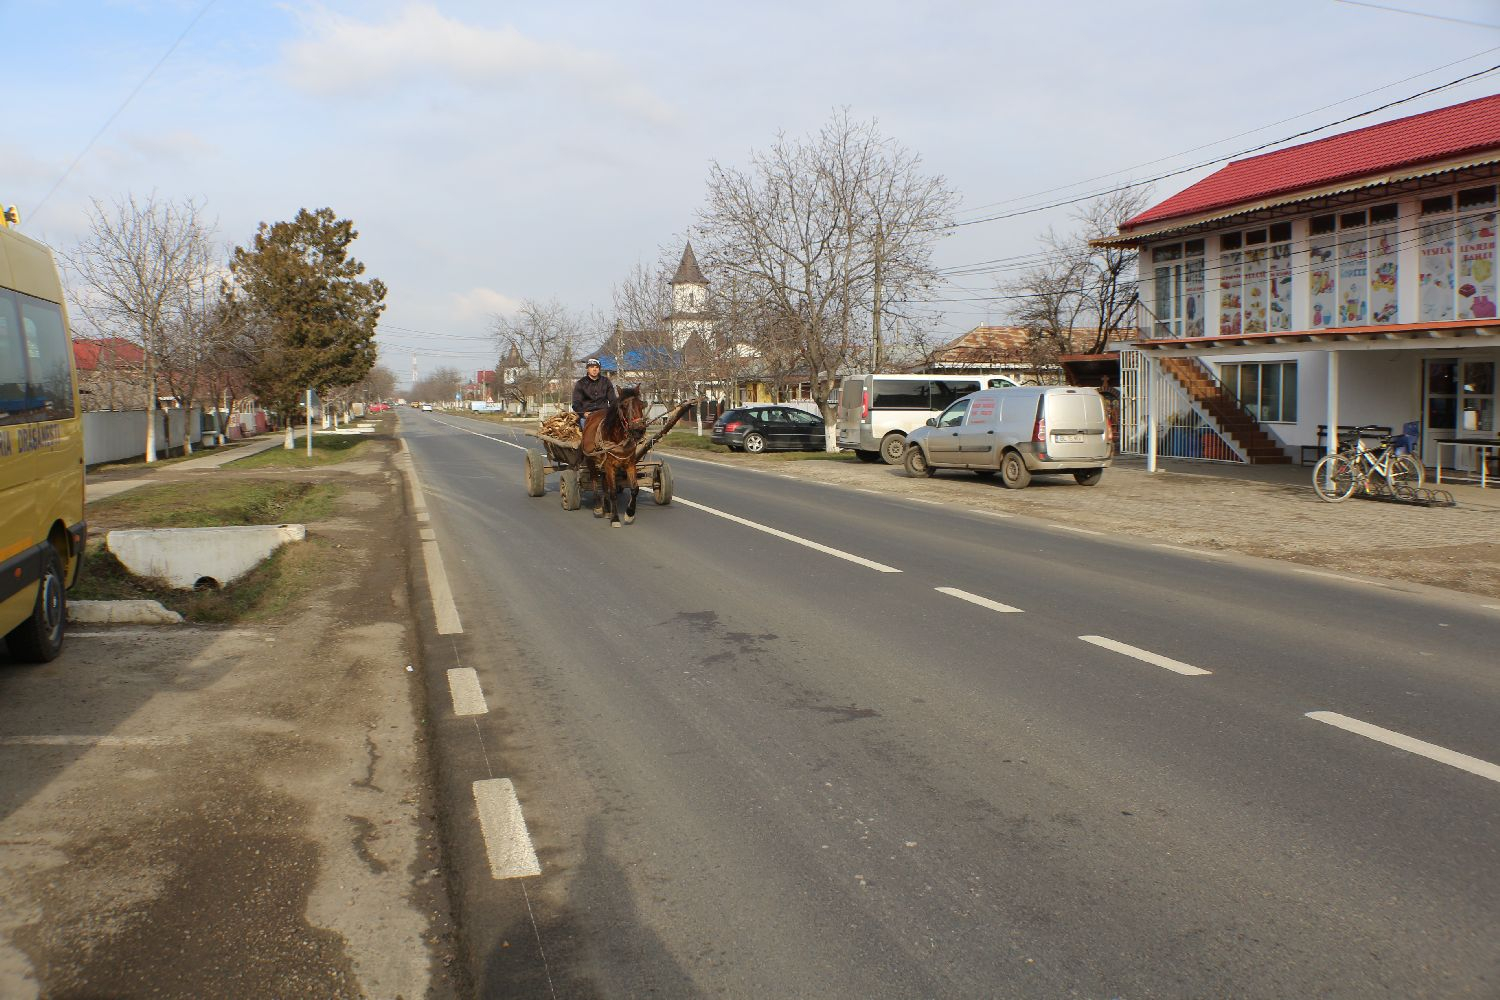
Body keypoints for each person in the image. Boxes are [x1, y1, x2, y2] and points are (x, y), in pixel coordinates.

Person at [572, 358, 618, 451]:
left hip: (604, 414)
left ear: (599, 369)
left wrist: (615, 410)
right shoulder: (580, 384)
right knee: (586, 430)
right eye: (592, 367)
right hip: (588, 416)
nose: (594, 369)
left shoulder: (606, 382)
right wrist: (584, 413)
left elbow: (613, 400)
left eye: (597, 367)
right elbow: (576, 403)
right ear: (587, 369)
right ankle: (586, 451)